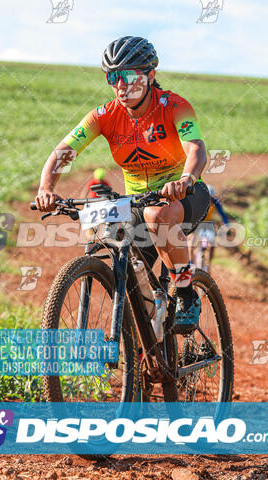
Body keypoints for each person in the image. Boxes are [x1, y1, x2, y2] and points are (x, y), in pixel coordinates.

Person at [35, 36, 210, 333]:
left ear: (150, 75)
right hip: (138, 202)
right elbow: (63, 153)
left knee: (159, 215)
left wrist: (185, 179)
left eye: (129, 76)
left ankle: (185, 293)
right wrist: (46, 189)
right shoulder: (104, 115)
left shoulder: (173, 105)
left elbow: (196, 148)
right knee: (114, 252)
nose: (121, 85)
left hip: (185, 197)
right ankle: (144, 344)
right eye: (113, 77)